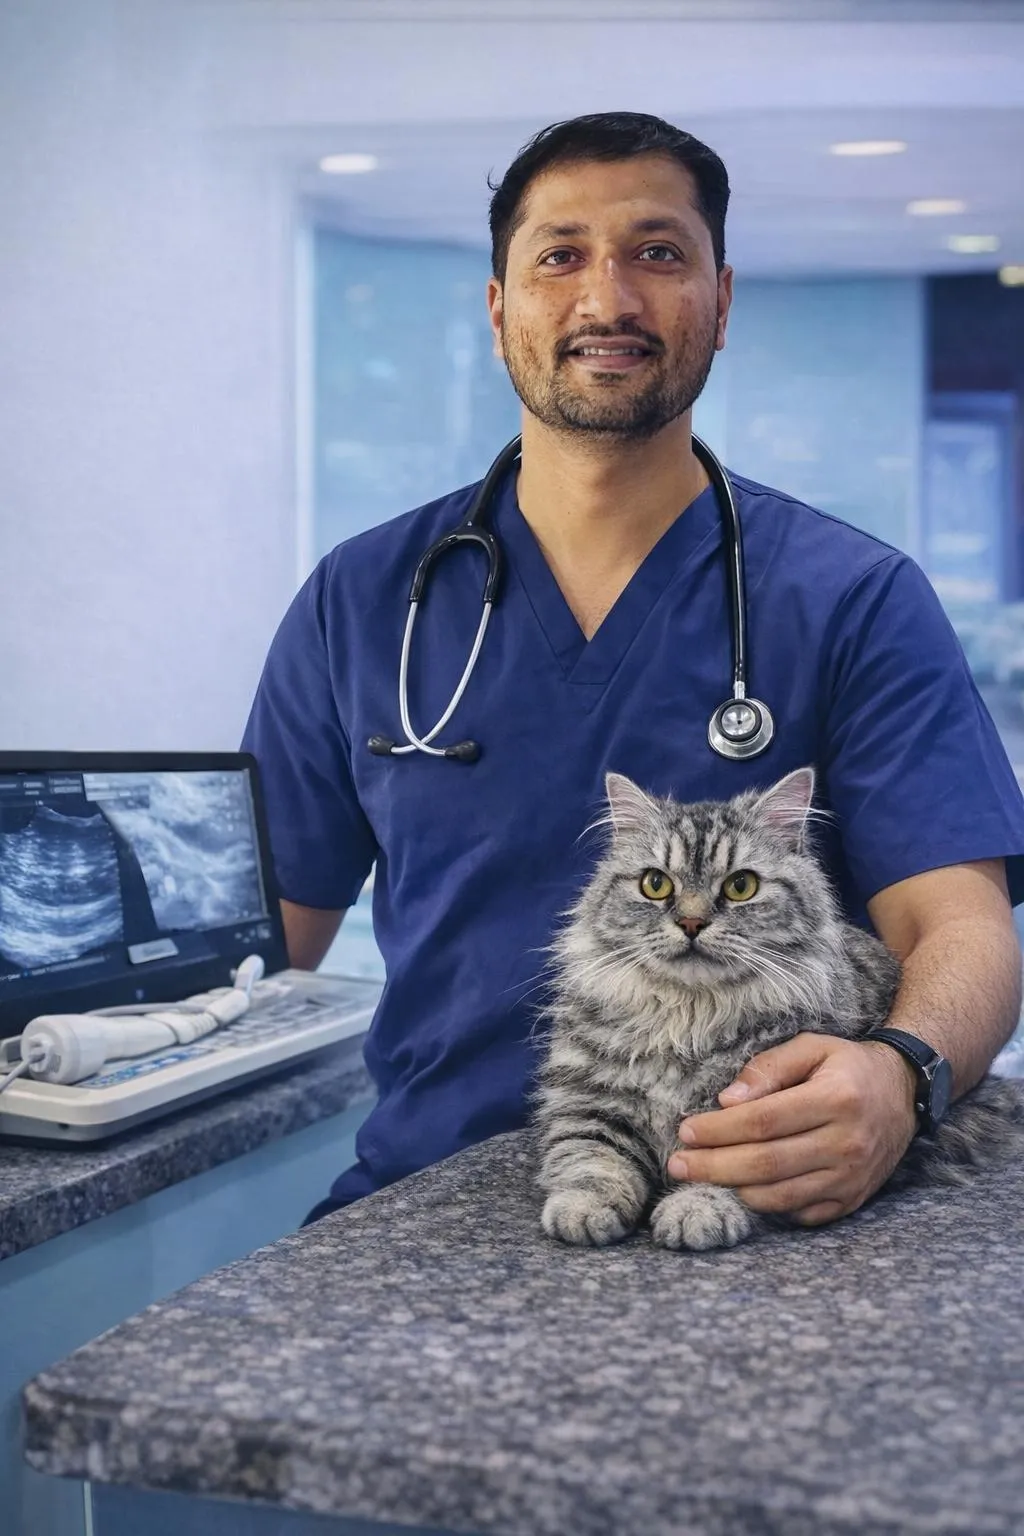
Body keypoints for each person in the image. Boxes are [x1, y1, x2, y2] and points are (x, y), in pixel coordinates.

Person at [242, 112, 1024, 1230]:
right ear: (500, 305)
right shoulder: (361, 600)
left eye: (657, 254)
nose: (606, 299)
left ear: (720, 299)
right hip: (410, 1213)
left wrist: (902, 1072)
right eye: (559, 255)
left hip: (757, 1204)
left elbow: (962, 932)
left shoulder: (850, 596)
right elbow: (258, 947)